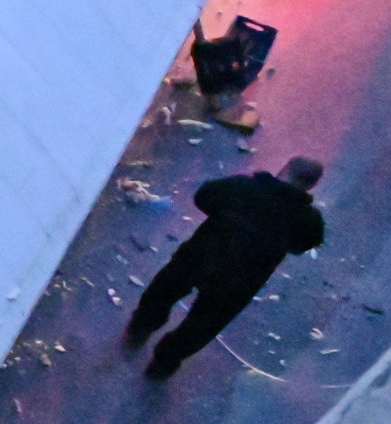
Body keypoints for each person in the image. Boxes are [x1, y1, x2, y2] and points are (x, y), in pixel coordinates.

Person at [126, 157, 325, 378]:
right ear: (311, 185)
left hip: (200, 255)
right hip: (241, 281)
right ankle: (165, 361)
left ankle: (141, 326)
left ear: (285, 168)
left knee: (164, 291)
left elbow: (204, 197)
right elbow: (302, 245)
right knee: (204, 324)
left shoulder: (243, 186)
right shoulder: (308, 220)